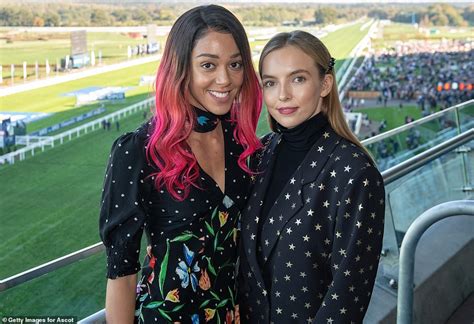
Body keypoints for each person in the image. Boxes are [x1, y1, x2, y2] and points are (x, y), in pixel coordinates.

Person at [99, 5, 262, 323]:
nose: (225, 79)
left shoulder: (241, 142)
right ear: (181, 68)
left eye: (235, 64)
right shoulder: (138, 151)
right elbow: (122, 274)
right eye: (208, 65)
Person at [238, 31, 385, 323]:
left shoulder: (356, 173)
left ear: (325, 84)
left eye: (298, 79)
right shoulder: (260, 154)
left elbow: (347, 296)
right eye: (270, 82)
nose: (282, 95)